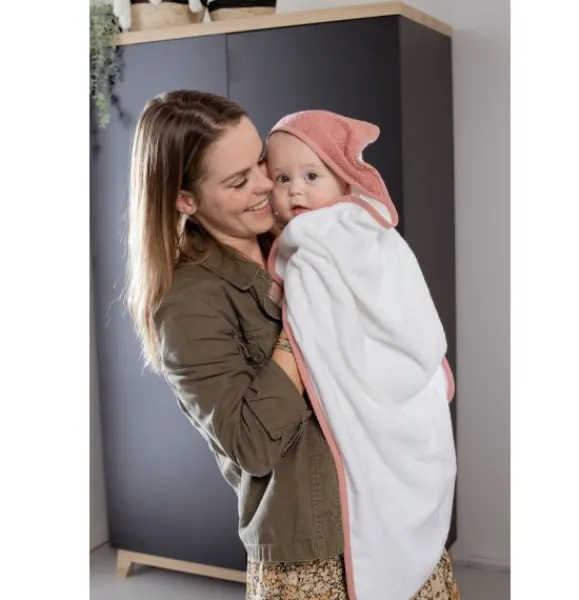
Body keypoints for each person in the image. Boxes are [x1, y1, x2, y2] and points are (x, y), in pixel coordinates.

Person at [126, 90, 459, 600]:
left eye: (260, 161)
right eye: (239, 181)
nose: (267, 184)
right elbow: (250, 444)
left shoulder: (306, 238)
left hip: (395, 514)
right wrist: (306, 324)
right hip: (315, 551)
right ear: (185, 200)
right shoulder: (186, 304)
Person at [265, 109, 461, 600]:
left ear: (343, 178)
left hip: (387, 379)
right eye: (282, 179)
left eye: (311, 177)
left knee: (393, 449)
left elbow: (399, 307)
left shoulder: (362, 234)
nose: (295, 191)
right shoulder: (300, 247)